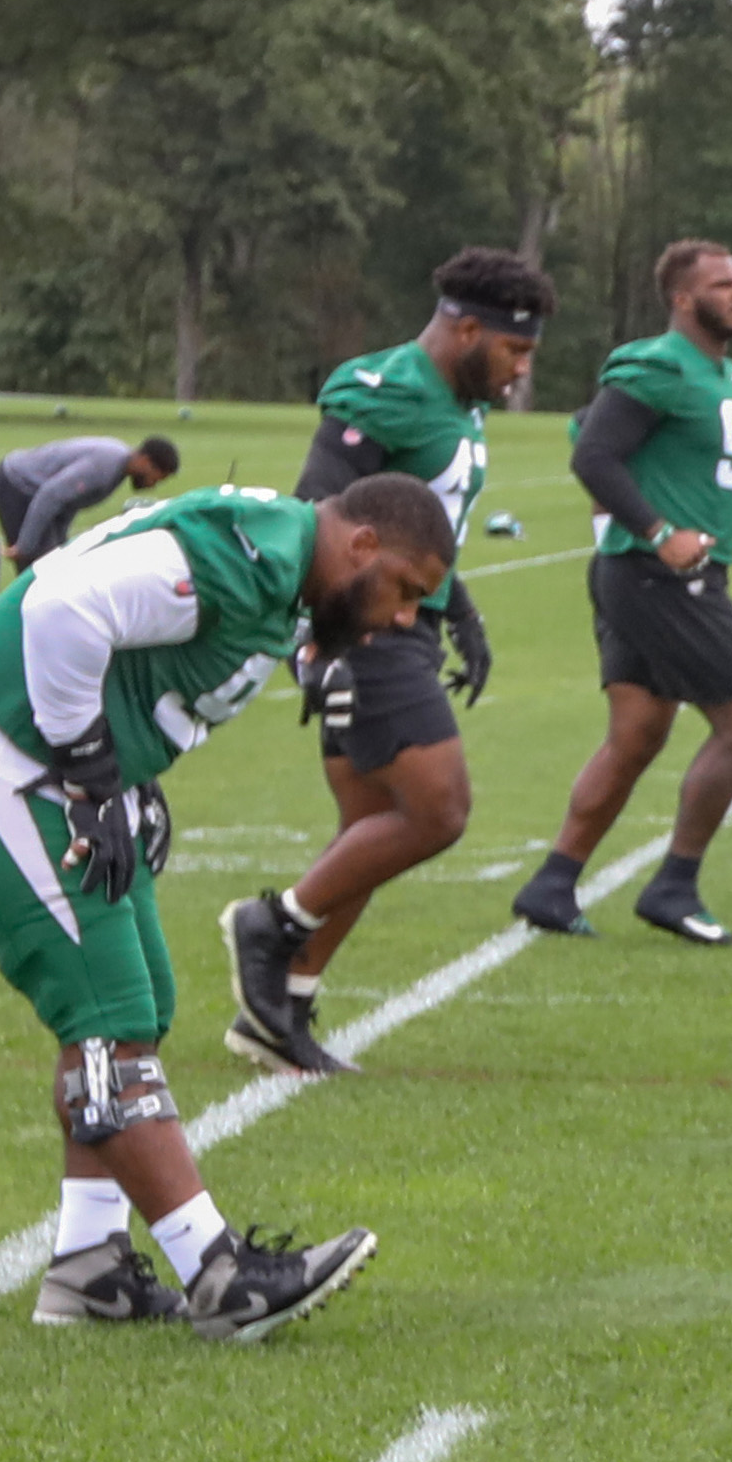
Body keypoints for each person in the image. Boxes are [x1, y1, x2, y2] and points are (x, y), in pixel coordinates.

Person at [0, 474, 453, 1343]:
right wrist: (88, 770)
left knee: (142, 1000)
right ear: (362, 547)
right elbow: (62, 610)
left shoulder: (282, 560)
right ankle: (216, 1273)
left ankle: (91, 1268)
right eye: (406, 591)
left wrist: (124, 778)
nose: (405, 618)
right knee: (107, 1012)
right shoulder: (251, 556)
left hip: (33, 768)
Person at [221, 251, 542, 1076]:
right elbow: (319, 513)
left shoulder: (458, 405)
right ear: (467, 330)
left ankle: (279, 1011)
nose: (520, 370)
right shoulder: (388, 390)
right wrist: (321, 639)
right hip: (368, 630)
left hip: (409, 620)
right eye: (513, 351)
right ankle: (275, 924)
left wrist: (459, 611)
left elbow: (419, 528)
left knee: (367, 830)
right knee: (438, 812)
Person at [508, 240, 732, 951]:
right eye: (723, 283)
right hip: (655, 575)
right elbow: (592, 454)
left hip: (654, 574)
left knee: (635, 737)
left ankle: (552, 884)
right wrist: (657, 532)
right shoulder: (657, 366)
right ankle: (674, 885)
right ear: (683, 299)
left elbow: (720, 488)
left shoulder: (730, 380)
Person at [0, 428, 183, 566]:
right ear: (145, 461)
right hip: (17, 483)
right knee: (38, 569)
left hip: (35, 491)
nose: (153, 485)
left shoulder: (118, 470)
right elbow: (51, 495)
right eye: (157, 478)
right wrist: (25, 545)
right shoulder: (105, 466)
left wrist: (60, 542)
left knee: (54, 563)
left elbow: (69, 503)